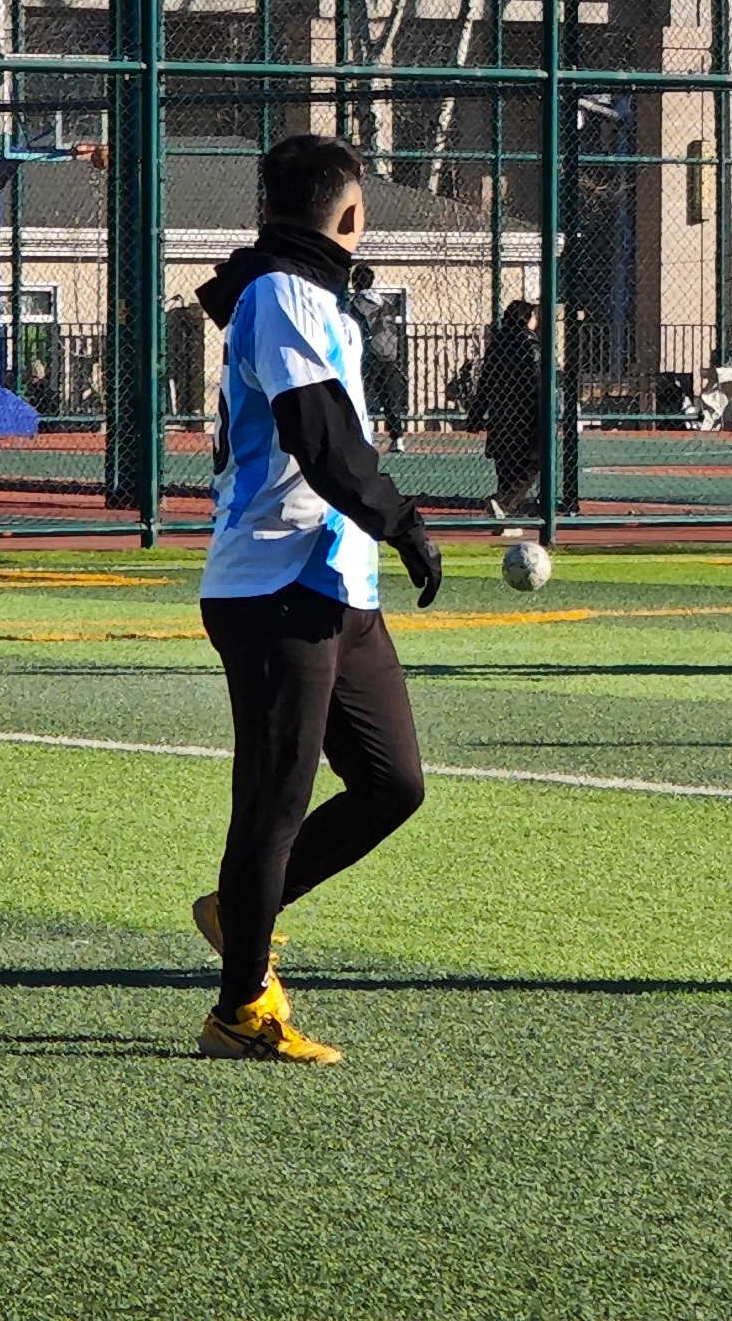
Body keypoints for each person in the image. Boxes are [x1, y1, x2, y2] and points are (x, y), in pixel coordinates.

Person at [191, 133, 445, 1065]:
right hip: (275, 581)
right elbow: (321, 438)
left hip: (333, 579)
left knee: (392, 783)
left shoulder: (301, 289)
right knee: (275, 797)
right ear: (348, 215)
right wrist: (403, 520)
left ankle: (241, 909)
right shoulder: (283, 295)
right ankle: (239, 1010)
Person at [467, 297, 547, 519]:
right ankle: (503, 504)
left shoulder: (498, 343)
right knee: (534, 462)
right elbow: (537, 381)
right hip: (527, 415)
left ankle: (504, 512)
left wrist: (475, 414)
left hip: (501, 414)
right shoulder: (531, 345)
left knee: (507, 465)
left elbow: (485, 382)